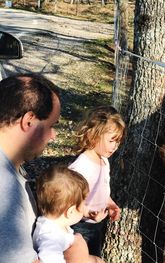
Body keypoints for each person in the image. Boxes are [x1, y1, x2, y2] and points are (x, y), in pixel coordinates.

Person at [0, 74, 89, 263]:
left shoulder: (9, 168)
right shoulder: (5, 190)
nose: (53, 135)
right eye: (51, 125)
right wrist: (80, 259)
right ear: (29, 121)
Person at [69, 105, 126, 257]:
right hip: (79, 226)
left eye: (118, 142)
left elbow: (102, 189)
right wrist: (88, 213)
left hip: (96, 224)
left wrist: (110, 203)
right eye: (111, 141)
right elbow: (68, 202)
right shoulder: (81, 167)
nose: (115, 147)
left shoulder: (104, 161)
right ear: (93, 135)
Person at [33, 165, 104, 263]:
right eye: (84, 204)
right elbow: (49, 259)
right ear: (70, 211)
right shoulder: (50, 236)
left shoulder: (54, 224)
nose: (85, 208)